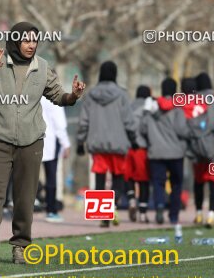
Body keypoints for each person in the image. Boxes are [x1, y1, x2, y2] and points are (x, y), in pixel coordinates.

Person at [0, 21, 85, 265]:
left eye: (34, 41)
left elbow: (58, 96)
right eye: (26, 40)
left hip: (31, 141)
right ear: (15, 40)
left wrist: (74, 95)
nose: (31, 45)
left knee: (25, 196)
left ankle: (20, 247)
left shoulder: (43, 66)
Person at [76, 61, 137, 227]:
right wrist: (133, 139)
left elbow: (84, 121)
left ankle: (104, 215)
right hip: (119, 144)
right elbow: (129, 121)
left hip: (97, 144)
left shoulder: (90, 95)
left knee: (100, 180)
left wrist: (80, 141)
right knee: (118, 179)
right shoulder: (122, 95)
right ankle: (114, 205)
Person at [140, 78, 189, 227]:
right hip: (175, 153)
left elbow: (143, 129)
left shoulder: (152, 109)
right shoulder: (178, 109)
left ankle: (159, 207)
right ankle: (173, 215)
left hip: (156, 152)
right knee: (176, 183)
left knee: (158, 183)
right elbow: (182, 130)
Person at [191, 73, 214, 228]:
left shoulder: (194, 101)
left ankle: (199, 213)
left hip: (200, 149)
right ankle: (211, 214)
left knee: (199, 182)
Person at [40, 96, 70, 223]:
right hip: (50, 140)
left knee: (28, 177)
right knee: (51, 177)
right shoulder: (55, 96)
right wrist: (66, 143)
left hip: (31, 139)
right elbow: (59, 123)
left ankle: (22, 210)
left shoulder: (32, 90)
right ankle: (51, 210)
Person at [125, 85, 152, 223]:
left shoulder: (129, 106)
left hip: (127, 148)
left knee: (128, 177)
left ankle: (131, 201)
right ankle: (142, 213)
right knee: (143, 181)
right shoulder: (149, 109)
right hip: (142, 148)